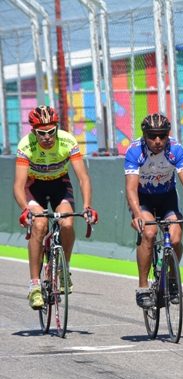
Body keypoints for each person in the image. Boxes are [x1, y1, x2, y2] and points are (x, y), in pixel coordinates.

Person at [14, 105, 98, 309]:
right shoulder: (26, 145)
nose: (47, 137)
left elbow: (83, 178)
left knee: (67, 223)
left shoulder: (67, 141)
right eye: (42, 133)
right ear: (33, 131)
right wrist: (26, 209)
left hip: (60, 184)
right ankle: (34, 285)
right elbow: (18, 185)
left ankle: (62, 269)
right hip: (34, 187)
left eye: (51, 131)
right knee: (40, 224)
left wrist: (87, 206)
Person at [124, 112, 183, 308]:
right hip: (143, 199)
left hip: (167, 197)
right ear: (145, 136)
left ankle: (171, 278)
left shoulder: (176, 150)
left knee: (176, 237)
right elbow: (130, 188)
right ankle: (143, 287)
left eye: (162, 135)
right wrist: (137, 215)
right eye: (153, 136)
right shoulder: (135, 151)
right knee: (149, 233)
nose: (158, 140)